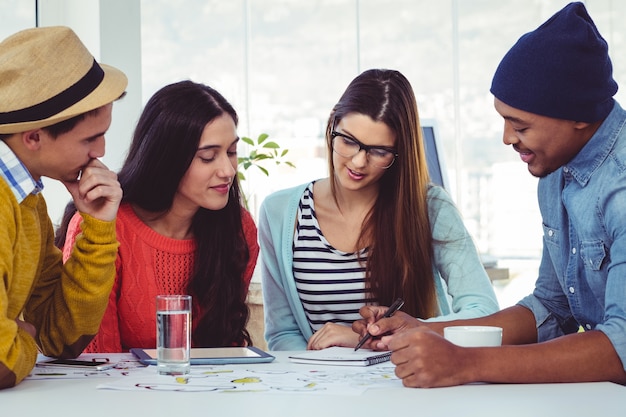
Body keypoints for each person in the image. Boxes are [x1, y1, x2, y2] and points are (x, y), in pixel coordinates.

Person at [354, 2, 626, 388]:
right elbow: (551, 308)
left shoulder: (621, 187)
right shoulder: (555, 169)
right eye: (504, 121)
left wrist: (466, 364)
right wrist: (430, 332)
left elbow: (621, 348)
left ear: (579, 116)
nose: (507, 139)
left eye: (521, 125)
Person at [259, 68, 499, 351]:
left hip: (410, 384)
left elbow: (483, 311)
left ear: (400, 152)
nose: (358, 162)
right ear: (332, 126)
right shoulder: (281, 212)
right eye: (348, 141)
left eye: (379, 151)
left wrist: (375, 342)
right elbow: (283, 334)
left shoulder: (430, 208)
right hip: (318, 386)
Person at [62, 80, 259, 352]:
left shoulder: (238, 228)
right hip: (121, 392)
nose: (228, 170)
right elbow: (98, 360)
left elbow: (226, 348)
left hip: (210, 391)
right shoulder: (103, 226)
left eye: (232, 152)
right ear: (168, 157)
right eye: (208, 157)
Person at [0, 26, 127, 389]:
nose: (101, 152)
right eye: (90, 138)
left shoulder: (28, 199)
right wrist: (24, 336)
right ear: (34, 137)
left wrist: (99, 226)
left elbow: (61, 338)